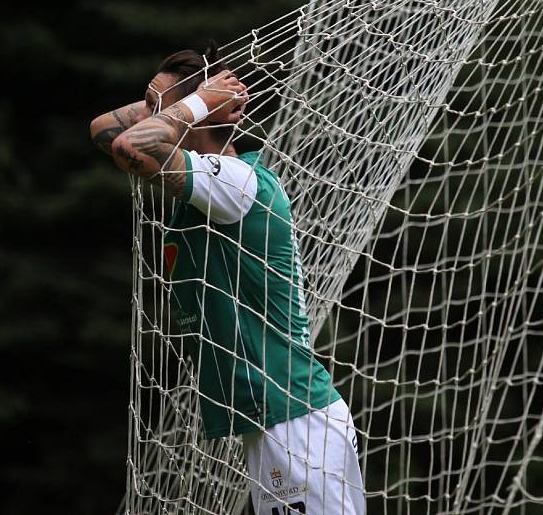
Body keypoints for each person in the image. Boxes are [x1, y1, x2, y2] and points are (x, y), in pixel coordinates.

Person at [90, 43, 365, 515]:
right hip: (272, 420)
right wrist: (188, 99)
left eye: (164, 105)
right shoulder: (207, 182)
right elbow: (102, 130)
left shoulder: (235, 183)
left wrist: (196, 102)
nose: (156, 114)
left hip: (296, 421)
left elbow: (128, 145)